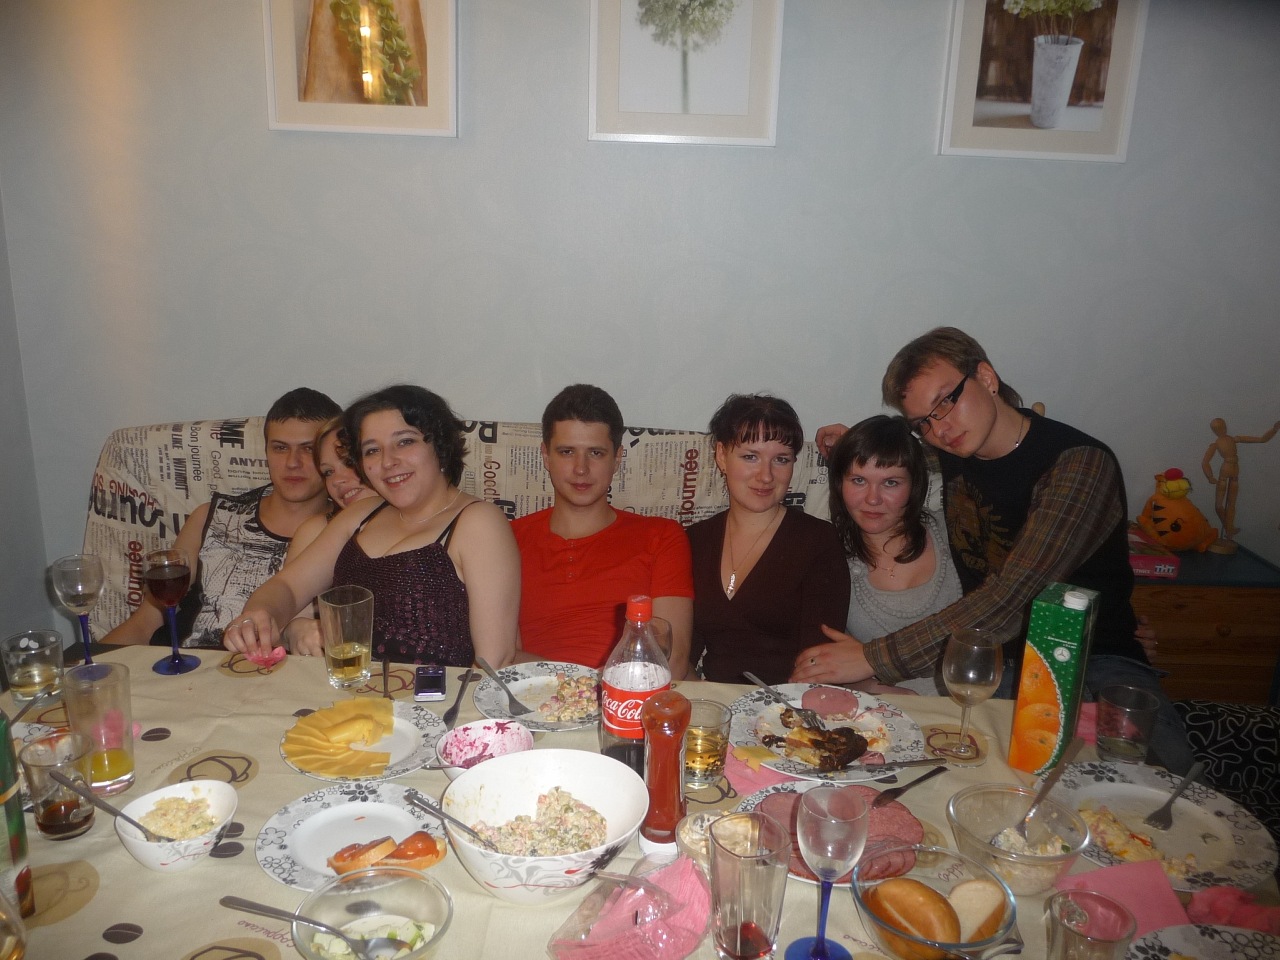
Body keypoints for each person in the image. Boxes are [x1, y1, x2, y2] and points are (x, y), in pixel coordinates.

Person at [797, 327, 1193, 773]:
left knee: (1156, 788)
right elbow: (890, 469)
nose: (940, 428)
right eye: (923, 422)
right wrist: (851, 441)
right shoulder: (953, 451)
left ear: (986, 377)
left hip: (1091, 661)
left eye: (946, 402)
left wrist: (872, 658)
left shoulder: (1077, 464)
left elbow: (1012, 598)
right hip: (993, 665)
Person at [223, 384, 520, 666]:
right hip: (343, 693)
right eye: (372, 450)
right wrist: (259, 614)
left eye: (404, 442)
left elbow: (493, 662)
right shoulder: (362, 515)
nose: (388, 461)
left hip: (436, 699)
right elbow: (287, 586)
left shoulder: (478, 522)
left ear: (440, 446)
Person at [103, 387, 341, 649]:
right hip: (190, 665)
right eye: (280, 448)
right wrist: (87, 664)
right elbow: (145, 623)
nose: (293, 462)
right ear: (265, 451)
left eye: (308, 449)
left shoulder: (346, 530)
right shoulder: (210, 517)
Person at [512, 384, 695, 677]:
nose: (580, 469)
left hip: (631, 696)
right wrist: (579, 686)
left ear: (617, 458)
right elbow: (500, 655)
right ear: (546, 456)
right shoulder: (507, 538)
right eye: (567, 452)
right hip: (532, 696)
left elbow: (672, 660)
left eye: (595, 453)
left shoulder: (661, 536)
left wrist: (591, 686)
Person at [687, 394, 849, 685]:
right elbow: (683, 652)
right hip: (713, 701)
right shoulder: (695, 540)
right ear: (722, 456)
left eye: (781, 460)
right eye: (750, 457)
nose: (766, 476)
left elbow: (819, 661)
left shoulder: (818, 542)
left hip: (788, 704)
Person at [827, 415, 961, 696]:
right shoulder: (826, 554)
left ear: (914, 485)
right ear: (839, 483)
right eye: (859, 480)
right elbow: (823, 658)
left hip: (970, 703)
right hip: (879, 712)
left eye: (890, 483)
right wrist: (874, 688)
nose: (872, 499)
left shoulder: (954, 532)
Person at [280, 418, 381, 655]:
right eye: (328, 472)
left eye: (349, 463)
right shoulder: (318, 530)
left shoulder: (441, 524)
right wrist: (298, 629)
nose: (337, 481)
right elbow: (286, 616)